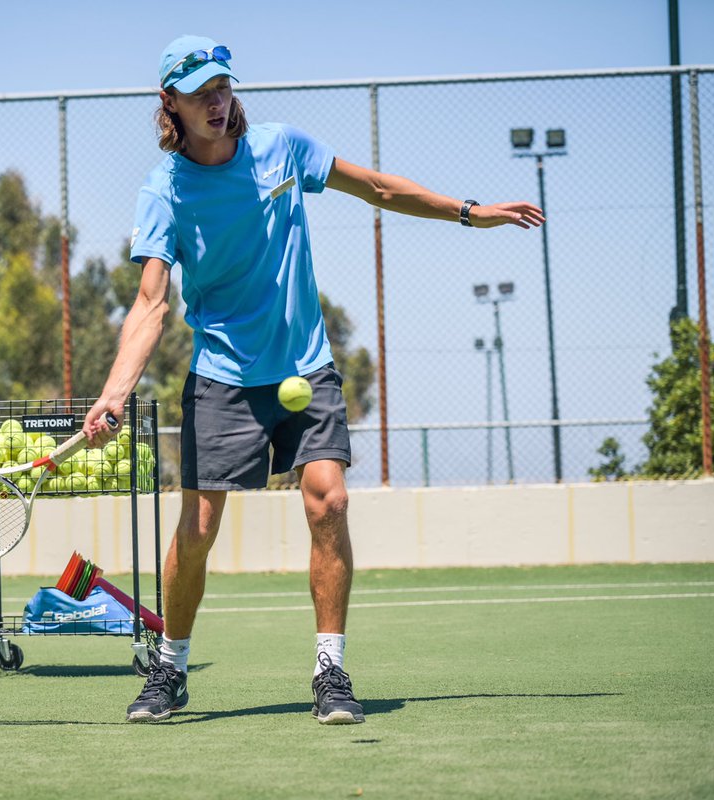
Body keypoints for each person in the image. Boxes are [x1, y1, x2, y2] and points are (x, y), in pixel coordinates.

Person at [83, 35, 544, 725]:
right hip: (222, 377)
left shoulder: (282, 148)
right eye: (200, 92)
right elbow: (151, 304)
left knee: (329, 503)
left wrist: (468, 212)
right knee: (198, 527)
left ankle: (331, 669)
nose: (217, 101)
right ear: (169, 102)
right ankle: (169, 668)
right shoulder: (165, 191)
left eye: (223, 86)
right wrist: (115, 392)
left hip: (305, 364)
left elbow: (377, 188)